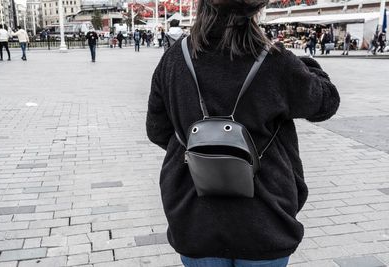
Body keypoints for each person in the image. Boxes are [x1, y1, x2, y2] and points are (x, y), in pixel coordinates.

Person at [146, 0, 340, 266]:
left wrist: (205, 148)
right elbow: (325, 104)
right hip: (265, 217)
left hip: (194, 216)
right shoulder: (276, 61)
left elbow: (157, 130)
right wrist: (308, 66)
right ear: (255, 11)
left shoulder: (174, 59)